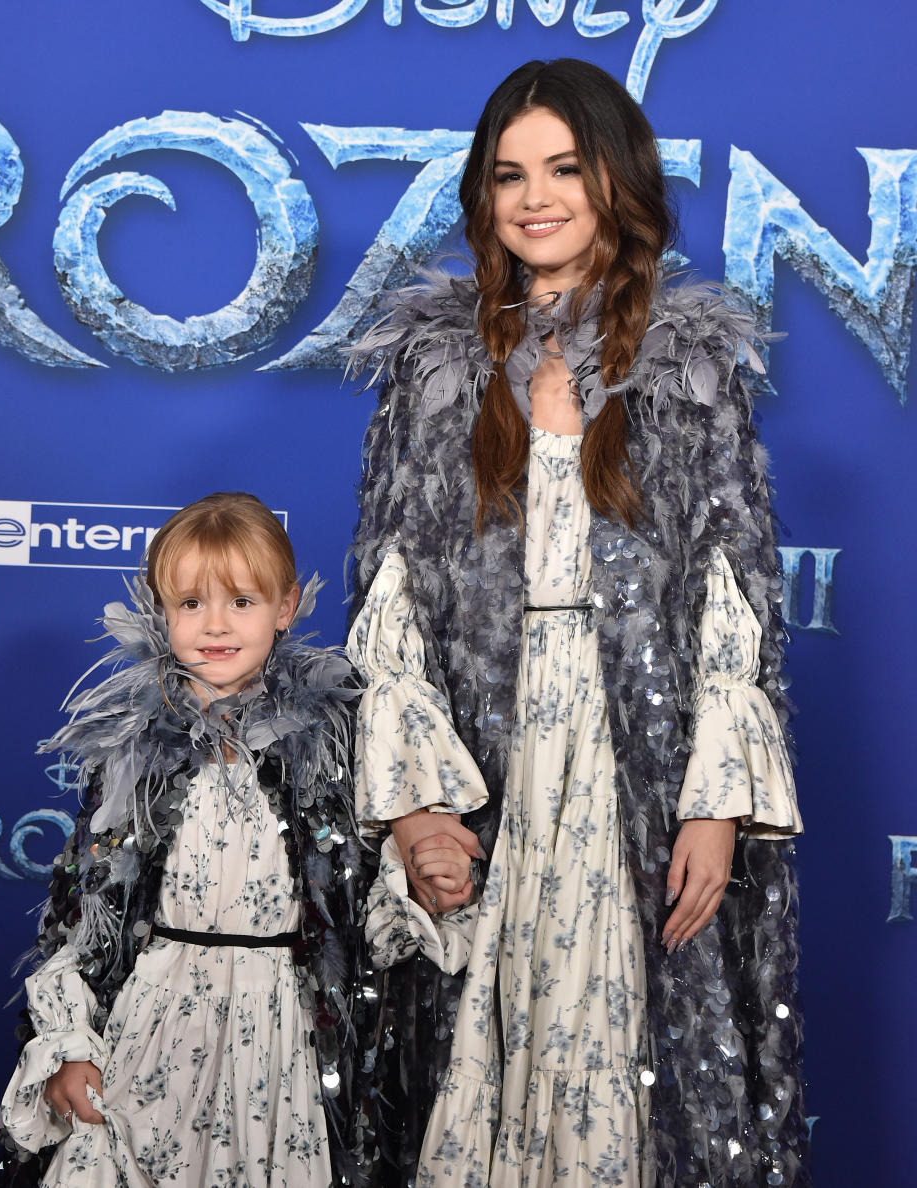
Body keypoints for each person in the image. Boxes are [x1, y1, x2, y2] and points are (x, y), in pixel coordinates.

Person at [347, 60, 809, 1187]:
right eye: (509, 174)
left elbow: (729, 599)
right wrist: (413, 801)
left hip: (634, 768)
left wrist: (716, 806)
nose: (535, 195)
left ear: (617, 182)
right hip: (487, 759)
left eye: (563, 166)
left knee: (639, 1058)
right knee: (468, 1046)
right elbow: (391, 587)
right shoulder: (434, 369)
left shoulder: (688, 368)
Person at [0, 492, 375, 1188]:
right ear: (160, 612)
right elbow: (83, 917)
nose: (215, 625)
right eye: (191, 604)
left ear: (285, 609)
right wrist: (69, 1045)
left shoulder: (331, 749)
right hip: (154, 1023)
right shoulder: (135, 754)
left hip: (275, 1034)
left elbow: (359, 898)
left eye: (241, 601)